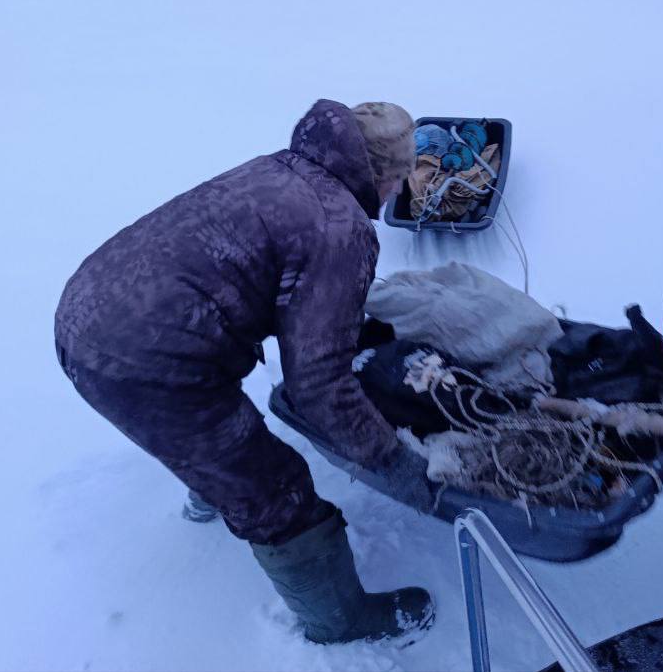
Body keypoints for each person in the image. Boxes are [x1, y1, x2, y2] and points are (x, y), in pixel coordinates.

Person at [54, 99, 435, 644]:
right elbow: (318, 385)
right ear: (383, 176)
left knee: (216, 443)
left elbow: (274, 281)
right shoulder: (341, 226)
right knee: (275, 491)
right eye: (401, 178)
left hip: (88, 306)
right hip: (144, 363)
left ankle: (213, 483)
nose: (400, 192)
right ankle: (341, 622)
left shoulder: (283, 168)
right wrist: (389, 458)